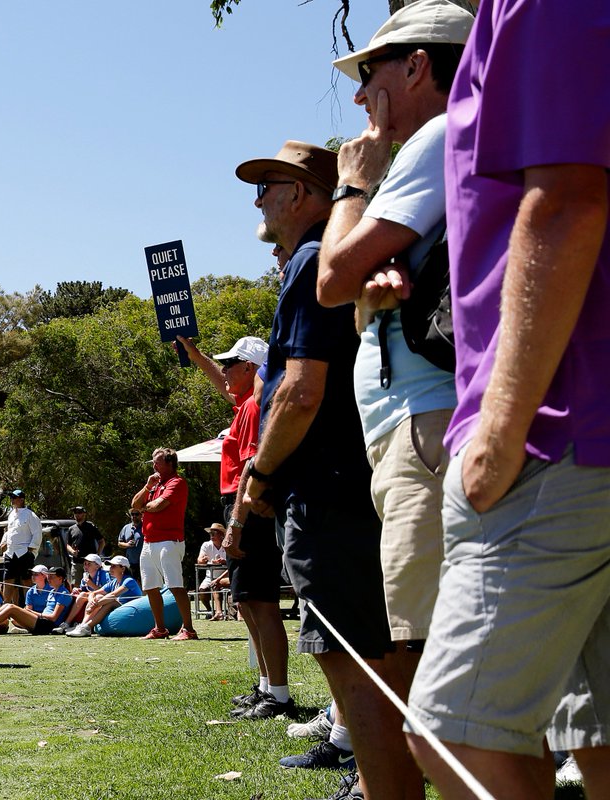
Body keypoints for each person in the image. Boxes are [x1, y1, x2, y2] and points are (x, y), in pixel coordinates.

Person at [402, 4, 610, 798]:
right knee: (597, 734)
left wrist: (501, 425)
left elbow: (566, 202)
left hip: (559, 428)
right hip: (573, 426)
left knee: (459, 732)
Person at [315, 4, 473, 796]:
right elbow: (362, 291)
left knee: (434, 670)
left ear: (416, 67)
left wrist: (352, 183)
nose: (359, 97)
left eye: (370, 72)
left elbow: (333, 276)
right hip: (416, 424)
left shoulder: (436, 138)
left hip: (425, 427)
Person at [232, 142, 389, 775]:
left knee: (347, 636)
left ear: (300, 194)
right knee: (347, 627)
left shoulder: (307, 261)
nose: (258, 199)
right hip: (347, 472)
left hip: (325, 478)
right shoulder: (328, 257)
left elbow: (299, 390)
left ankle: (374, 770)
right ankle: (355, 745)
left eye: (267, 185)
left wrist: (262, 471)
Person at [179, 333, 291, 712]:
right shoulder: (245, 403)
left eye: (231, 364)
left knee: (261, 602)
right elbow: (226, 388)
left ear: (252, 369)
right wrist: (196, 356)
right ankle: (266, 686)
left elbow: (250, 465)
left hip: (247, 507)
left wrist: (236, 523)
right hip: (240, 505)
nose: (224, 370)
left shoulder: (255, 408)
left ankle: (277, 692)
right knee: (247, 602)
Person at [130, 447, 196, 640]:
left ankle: (189, 630)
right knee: (150, 587)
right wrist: (147, 487)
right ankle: (160, 628)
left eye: (157, 462)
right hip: (149, 542)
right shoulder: (155, 484)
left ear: (169, 463)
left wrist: (146, 506)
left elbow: (158, 506)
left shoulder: (177, 482)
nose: (154, 465)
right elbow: (135, 504)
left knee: (175, 585)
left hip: (169, 541)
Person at [0, 567, 72, 635]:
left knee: (11, 608)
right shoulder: (52, 591)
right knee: (7, 606)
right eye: (48, 576)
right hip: (41, 622)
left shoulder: (63, 593)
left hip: (48, 626)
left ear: (60, 579)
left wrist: (31, 612)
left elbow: (54, 617)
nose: (49, 579)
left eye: (52, 577)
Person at [65, 555, 142, 637]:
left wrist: (95, 605)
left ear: (123, 569)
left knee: (110, 602)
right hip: (120, 608)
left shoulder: (129, 580)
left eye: (114, 566)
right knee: (98, 597)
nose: (110, 568)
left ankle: (87, 627)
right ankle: (83, 625)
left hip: (132, 610)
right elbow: (93, 593)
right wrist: (92, 602)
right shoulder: (114, 582)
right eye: (110, 566)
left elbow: (113, 595)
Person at [0, 489, 43, 607]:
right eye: (11, 497)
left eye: (15, 497)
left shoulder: (30, 515)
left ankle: (29, 608)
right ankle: (4, 610)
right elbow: (10, 531)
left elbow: (37, 533)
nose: (12, 500)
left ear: (22, 499)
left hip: (24, 553)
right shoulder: (11, 514)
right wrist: (5, 542)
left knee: (26, 582)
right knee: (7, 582)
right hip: (10, 553)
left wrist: (31, 549)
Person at [55, 554, 110, 633]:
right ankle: (67, 623)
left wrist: (92, 585)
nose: (86, 566)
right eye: (85, 563)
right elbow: (84, 590)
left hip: (101, 597)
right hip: (91, 595)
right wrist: (77, 589)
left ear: (97, 566)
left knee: (96, 596)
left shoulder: (104, 575)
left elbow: (107, 592)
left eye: (89, 564)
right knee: (81, 594)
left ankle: (84, 625)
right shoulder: (85, 576)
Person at [195, 525, 230, 620]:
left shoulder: (227, 545)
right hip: (210, 576)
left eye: (214, 533)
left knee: (217, 584)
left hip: (225, 575)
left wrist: (225, 561)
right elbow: (199, 560)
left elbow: (232, 563)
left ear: (222, 535)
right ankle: (211, 611)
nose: (211, 535)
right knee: (202, 592)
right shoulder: (206, 545)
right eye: (210, 533)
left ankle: (222, 612)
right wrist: (202, 560)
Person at [64, 507, 104, 583]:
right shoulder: (71, 529)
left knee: (91, 583)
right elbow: (68, 545)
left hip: (90, 563)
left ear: (84, 514)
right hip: (77, 562)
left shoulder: (91, 527)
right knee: (75, 585)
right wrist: (72, 551)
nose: (77, 515)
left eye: (79, 513)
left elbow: (101, 541)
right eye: (75, 513)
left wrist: (97, 555)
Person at [116, 511, 143, 581]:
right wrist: (127, 544)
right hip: (130, 562)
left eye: (136, 514)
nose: (134, 516)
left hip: (143, 561)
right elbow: (119, 543)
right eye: (132, 514)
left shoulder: (145, 527)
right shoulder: (126, 527)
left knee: (143, 583)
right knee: (130, 581)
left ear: (141, 515)